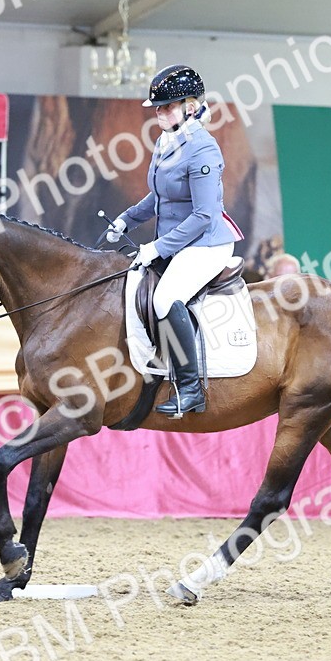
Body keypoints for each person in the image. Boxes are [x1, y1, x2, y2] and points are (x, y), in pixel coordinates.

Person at [107, 64, 244, 418]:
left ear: (191, 107)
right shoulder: (166, 142)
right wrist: (127, 218)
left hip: (207, 244)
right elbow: (159, 198)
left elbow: (203, 216)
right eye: (158, 107)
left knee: (167, 297)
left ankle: (189, 390)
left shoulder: (203, 151)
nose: (160, 113)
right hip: (178, 241)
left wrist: (157, 247)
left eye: (167, 106)